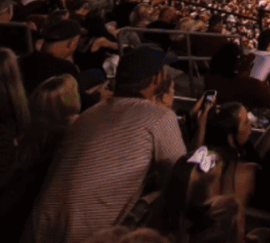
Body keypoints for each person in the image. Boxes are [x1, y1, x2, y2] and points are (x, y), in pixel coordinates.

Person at [27, 44, 196, 243]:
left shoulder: (90, 113)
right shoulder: (158, 117)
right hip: (86, 234)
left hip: (39, 226)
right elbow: (185, 176)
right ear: (157, 78)